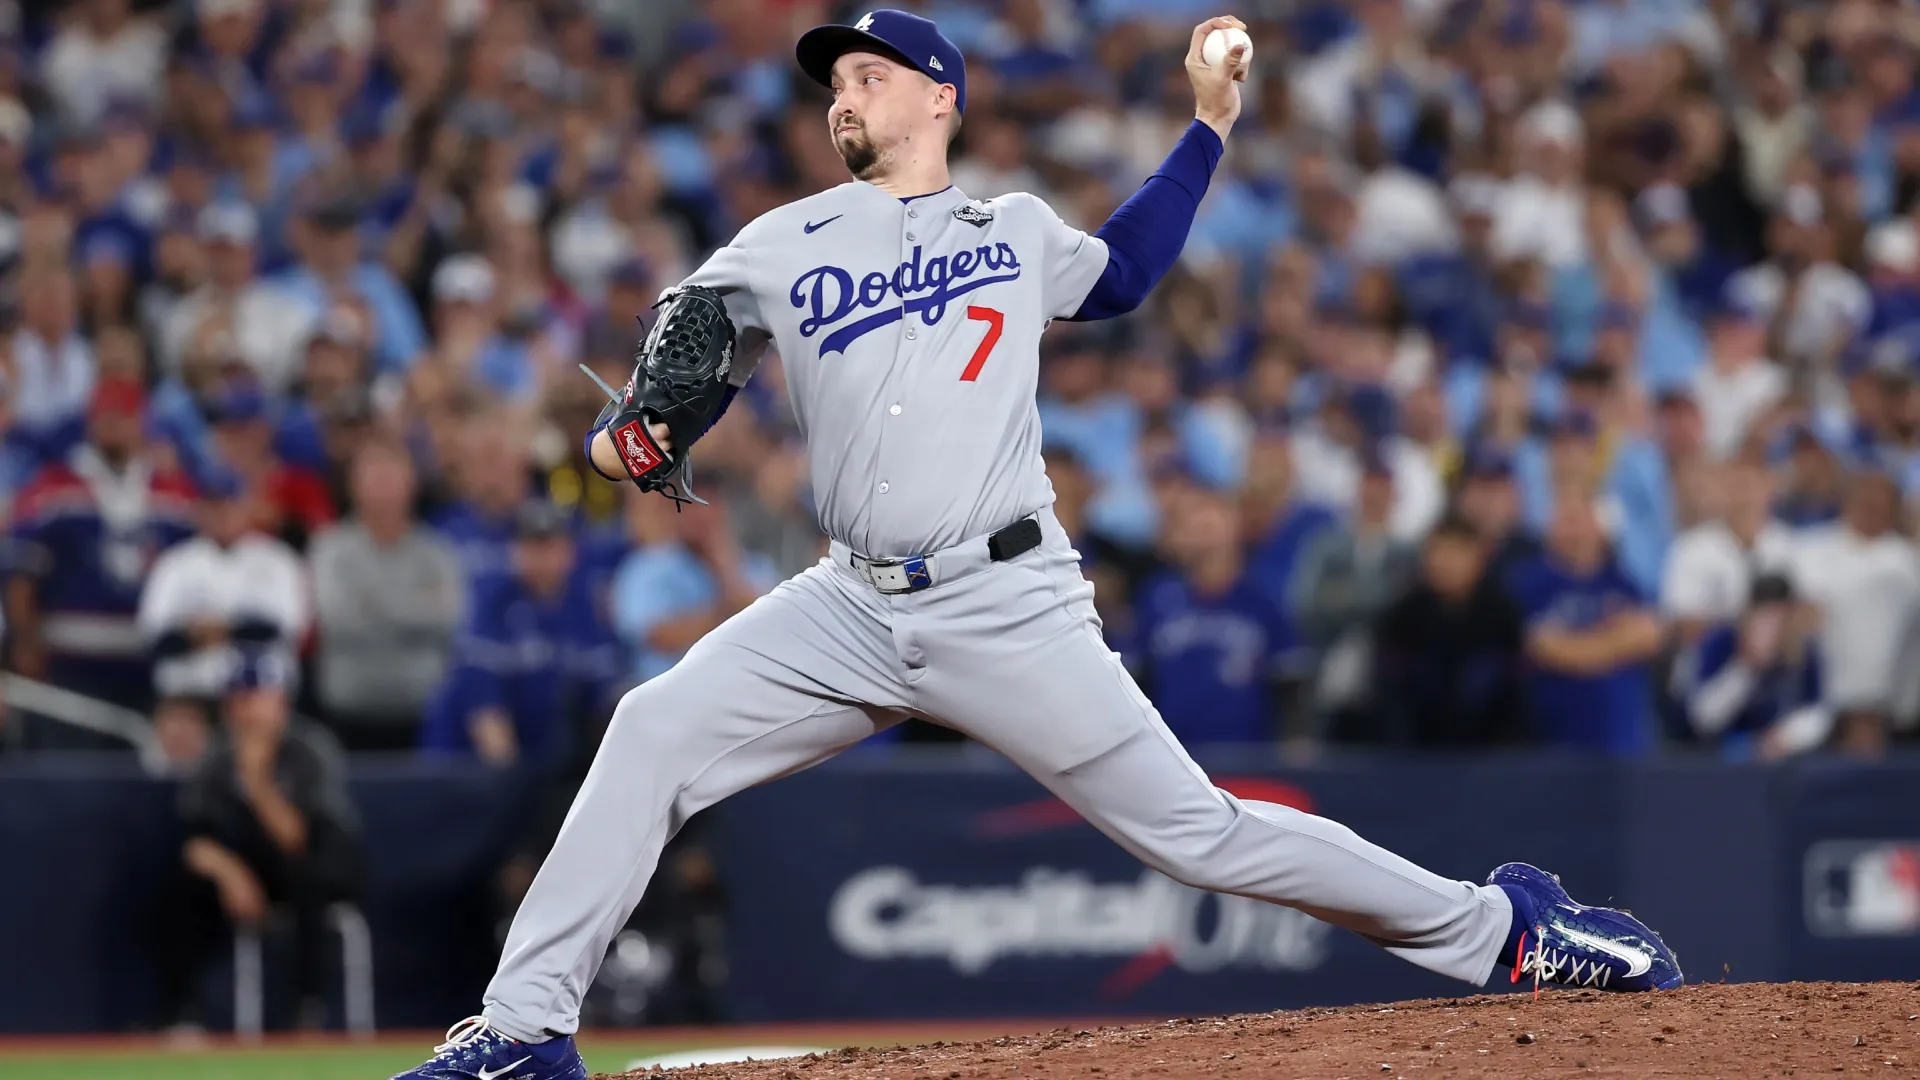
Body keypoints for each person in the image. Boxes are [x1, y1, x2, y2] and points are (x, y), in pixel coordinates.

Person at [397, 15, 1680, 1079]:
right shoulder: (781, 241)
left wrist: (1208, 126)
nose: (843, 94)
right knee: (651, 732)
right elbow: (695, 359)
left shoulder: (1011, 230)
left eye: (867, 74)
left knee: (1202, 835)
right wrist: (649, 428)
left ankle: (1503, 933)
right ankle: (523, 1035)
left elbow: (1122, 274)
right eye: (835, 81)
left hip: (1007, 602)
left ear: (939, 96)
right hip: (846, 603)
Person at [149, 651, 361, 1033]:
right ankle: (182, 1017)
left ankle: (307, 1013)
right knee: (179, 889)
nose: (247, 709)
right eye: (238, 697)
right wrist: (229, 873)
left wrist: (257, 781)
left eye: (257, 696)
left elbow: (298, 839)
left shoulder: (309, 750)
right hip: (247, 868)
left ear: (280, 700)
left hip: (316, 866)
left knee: (306, 881)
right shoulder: (216, 754)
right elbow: (195, 838)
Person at [4, 377, 197, 716]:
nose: (113, 427)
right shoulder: (53, 488)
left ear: (142, 422)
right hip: (68, 661)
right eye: (105, 417)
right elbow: (21, 573)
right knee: (71, 764)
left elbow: (196, 571)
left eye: (123, 417)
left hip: (149, 666)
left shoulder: (174, 494)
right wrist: (25, 640)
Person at [420, 500, 619, 769]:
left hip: (547, 764)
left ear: (570, 552)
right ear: (514, 550)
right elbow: (486, 715)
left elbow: (604, 699)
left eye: (550, 544)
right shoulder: (493, 604)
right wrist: (514, 791)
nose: (541, 556)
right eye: (531, 545)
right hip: (468, 769)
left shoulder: (584, 610)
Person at [310, 436, 465, 751]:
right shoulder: (329, 549)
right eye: (372, 475)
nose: (382, 484)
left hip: (424, 713)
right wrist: (416, 605)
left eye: (390, 473)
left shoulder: (438, 552)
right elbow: (339, 621)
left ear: (411, 481)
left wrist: (371, 603)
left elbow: (449, 620)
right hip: (346, 715)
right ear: (352, 485)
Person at [137, 466, 307, 732]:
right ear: (199, 510)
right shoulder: (175, 563)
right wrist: (234, 628)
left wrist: (215, 629)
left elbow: (285, 627)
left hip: (260, 697)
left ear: (247, 506)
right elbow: (156, 637)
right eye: (213, 506)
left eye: (230, 505)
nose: (222, 514)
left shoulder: (278, 560)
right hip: (188, 699)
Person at [1131, 485, 1290, 746]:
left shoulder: (1265, 597)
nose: (1201, 522)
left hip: (1250, 758)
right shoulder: (1157, 597)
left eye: (1210, 510)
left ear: (1234, 522)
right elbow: (1137, 677)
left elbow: (1288, 679)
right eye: (1189, 517)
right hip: (1173, 756)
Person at [1508, 493, 1665, 756]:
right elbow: (1540, 646)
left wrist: (1575, 646)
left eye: (1581, 520)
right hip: (1552, 742)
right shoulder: (1529, 584)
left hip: (1621, 745)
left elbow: (1650, 635)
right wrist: (1614, 643)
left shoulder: (1622, 583)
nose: (1575, 531)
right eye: (1566, 521)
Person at [1371, 516, 1527, 748]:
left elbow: (1517, 698)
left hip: (1490, 759)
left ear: (1479, 559)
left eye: (1457, 552)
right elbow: (1389, 699)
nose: (1445, 563)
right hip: (1414, 759)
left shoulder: (1504, 617)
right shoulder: (1402, 618)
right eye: (1438, 552)